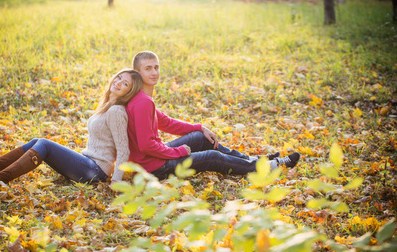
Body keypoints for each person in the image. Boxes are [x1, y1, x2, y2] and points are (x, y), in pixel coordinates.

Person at [126, 51, 300, 180]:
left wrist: (200, 128)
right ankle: (267, 167)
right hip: (152, 168)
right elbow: (145, 146)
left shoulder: (143, 98)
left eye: (156, 67)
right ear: (137, 73)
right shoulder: (143, 102)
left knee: (201, 138)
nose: (154, 72)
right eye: (148, 68)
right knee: (212, 157)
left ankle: (252, 160)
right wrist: (177, 151)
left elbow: (167, 123)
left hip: (153, 160)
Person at [0, 69, 143, 184]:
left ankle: (0, 177)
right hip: (88, 164)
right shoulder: (107, 105)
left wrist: (116, 183)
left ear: (129, 91)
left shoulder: (117, 111)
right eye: (119, 77)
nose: (118, 83)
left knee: (43, 143)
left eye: (125, 83)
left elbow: (123, 150)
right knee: (37, 141)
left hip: (94, 171)